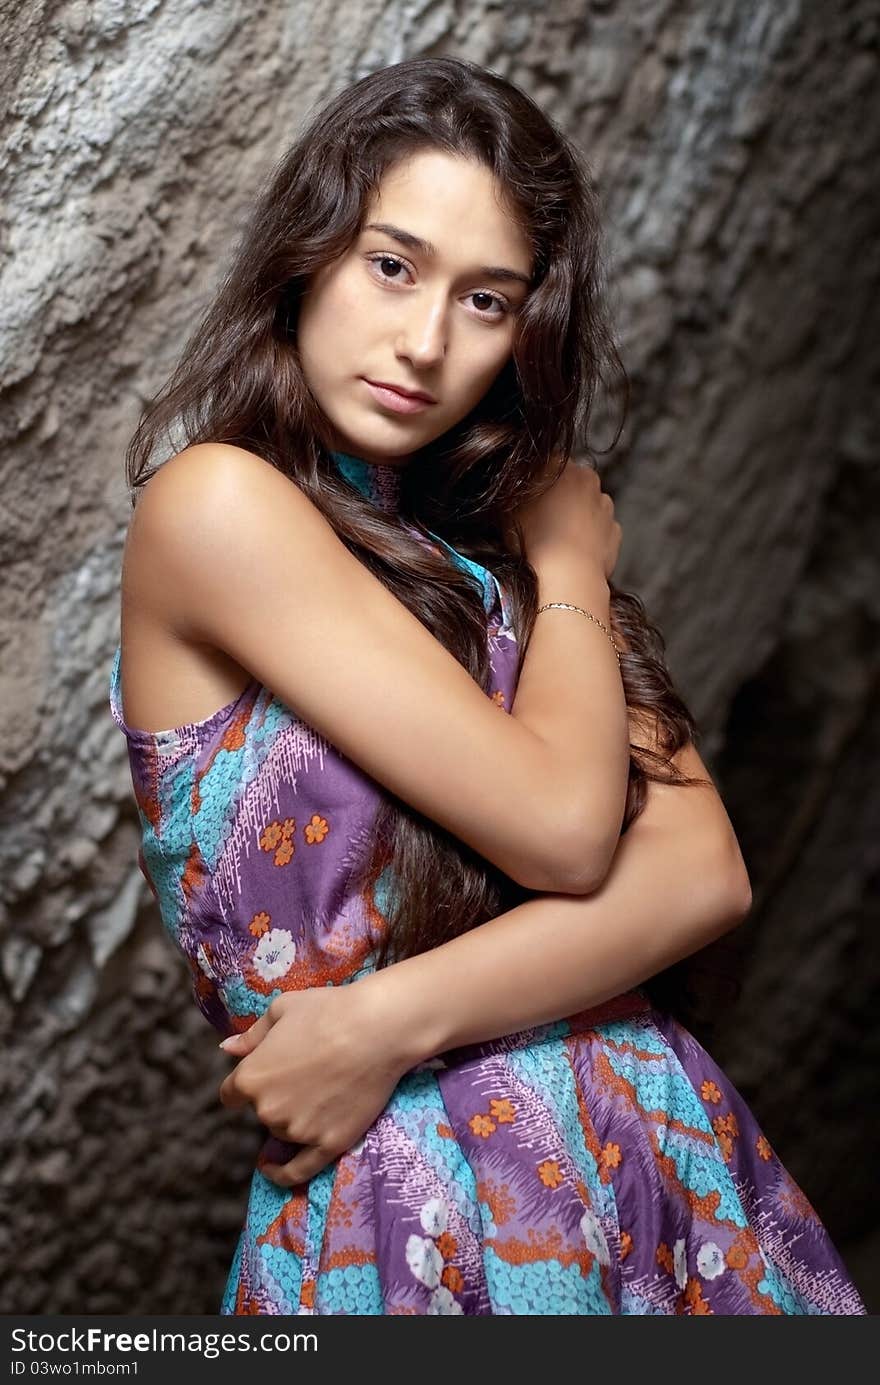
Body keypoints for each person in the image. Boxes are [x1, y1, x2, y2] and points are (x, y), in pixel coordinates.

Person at [109, 56, 865, 1315]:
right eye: (392, 265)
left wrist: (382, 1020)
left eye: (488, 299)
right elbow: (573, 834)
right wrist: (574, 560)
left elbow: (701, 874)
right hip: (420, 1215)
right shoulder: (219, 505)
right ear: (308, 256)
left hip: (657, 1172)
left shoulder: (502, 569)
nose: (423, 342)